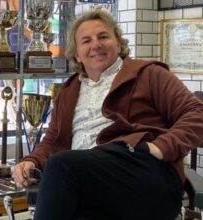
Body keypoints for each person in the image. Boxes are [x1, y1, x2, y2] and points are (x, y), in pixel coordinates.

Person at [12, 10, 203, 220]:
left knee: (60, 164)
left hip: (144, 174)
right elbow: (53, 140)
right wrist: (30, 161)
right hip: (90, 183)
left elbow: (197, 113)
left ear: (118, 44)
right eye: (86, 41)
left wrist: (160, 147)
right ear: (77, 54)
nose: (96, 45)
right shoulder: (68, 91)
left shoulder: (149, 74)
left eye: (103, 36)